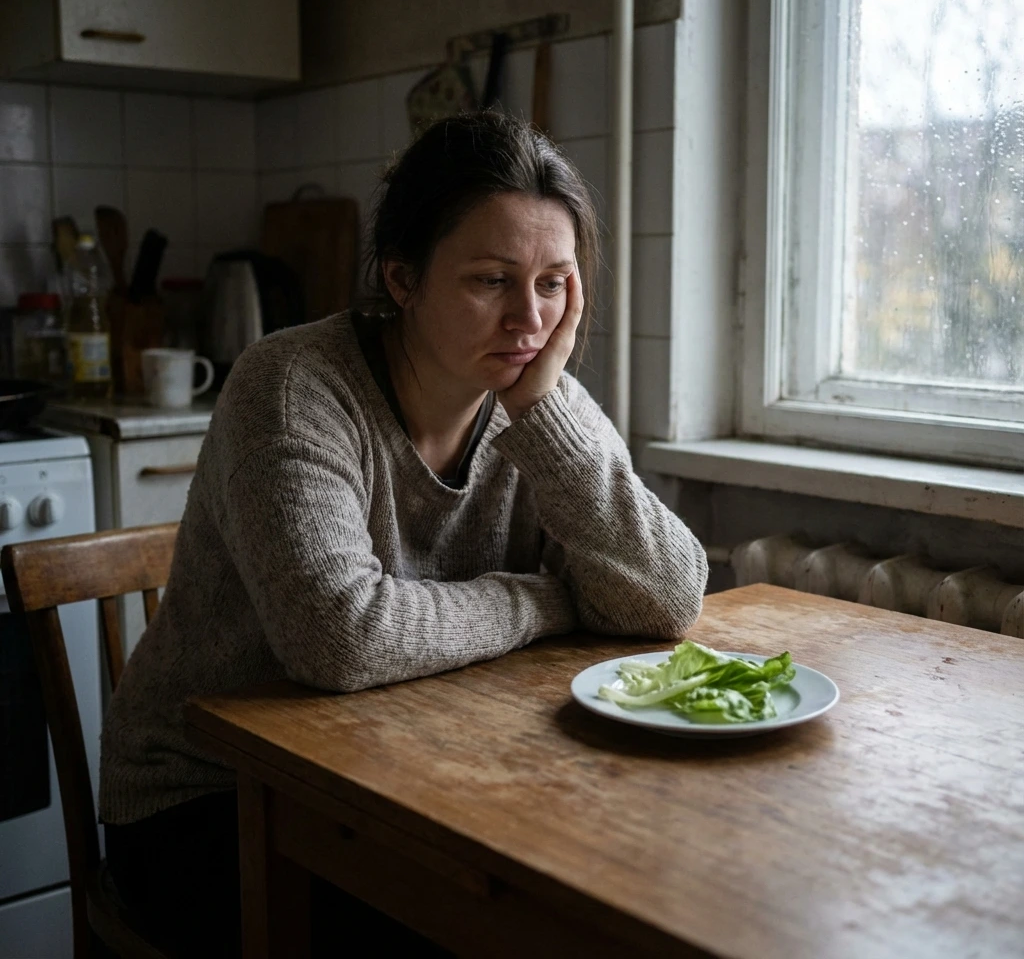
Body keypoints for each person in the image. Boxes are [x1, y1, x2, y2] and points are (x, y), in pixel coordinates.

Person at [100, 110, 709, 956]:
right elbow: (339, 638)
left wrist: (543, 406)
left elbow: (670, 598)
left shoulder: (536, 398)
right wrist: (540, 601)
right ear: (401, 279)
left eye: (554, 283)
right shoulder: (291, 387)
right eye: (491, 281)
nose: (528, 322)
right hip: (209, 800)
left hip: (398, 775)